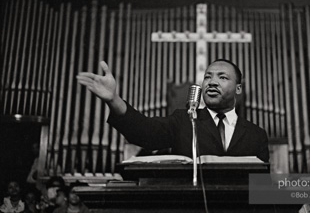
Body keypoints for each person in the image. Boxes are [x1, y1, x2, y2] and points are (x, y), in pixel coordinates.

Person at [77, 59, 269, 162]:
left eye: (222, 77)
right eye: (208, 77)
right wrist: (114, 100)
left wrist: (295, 192)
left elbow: (264, 191)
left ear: (238, 89)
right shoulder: (184, 121)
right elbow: (145, 133)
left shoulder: (256, 135)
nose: (212, 82)